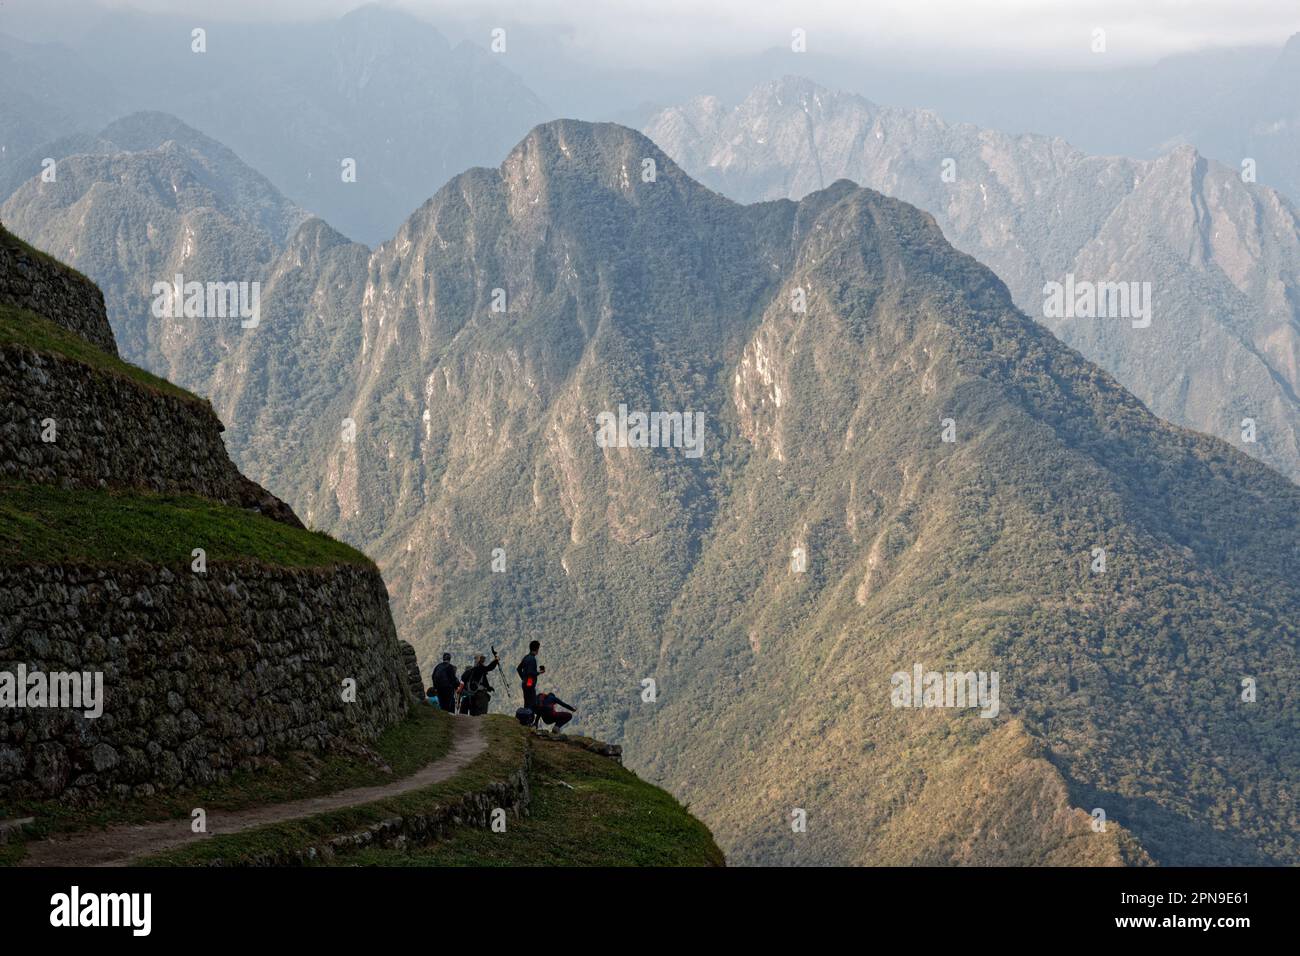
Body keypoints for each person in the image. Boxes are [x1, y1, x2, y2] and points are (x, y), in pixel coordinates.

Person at [517, 641, 544, 711]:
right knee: (532, 703)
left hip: (524, 683)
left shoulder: (526, 657)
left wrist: (523, 678)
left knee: (526, 702)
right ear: (537, 649)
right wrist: (539, 672)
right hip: (529, 683)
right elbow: (530, 673)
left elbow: (518, 669)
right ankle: (529, 718)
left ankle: (525, 718)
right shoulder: (532, 659)